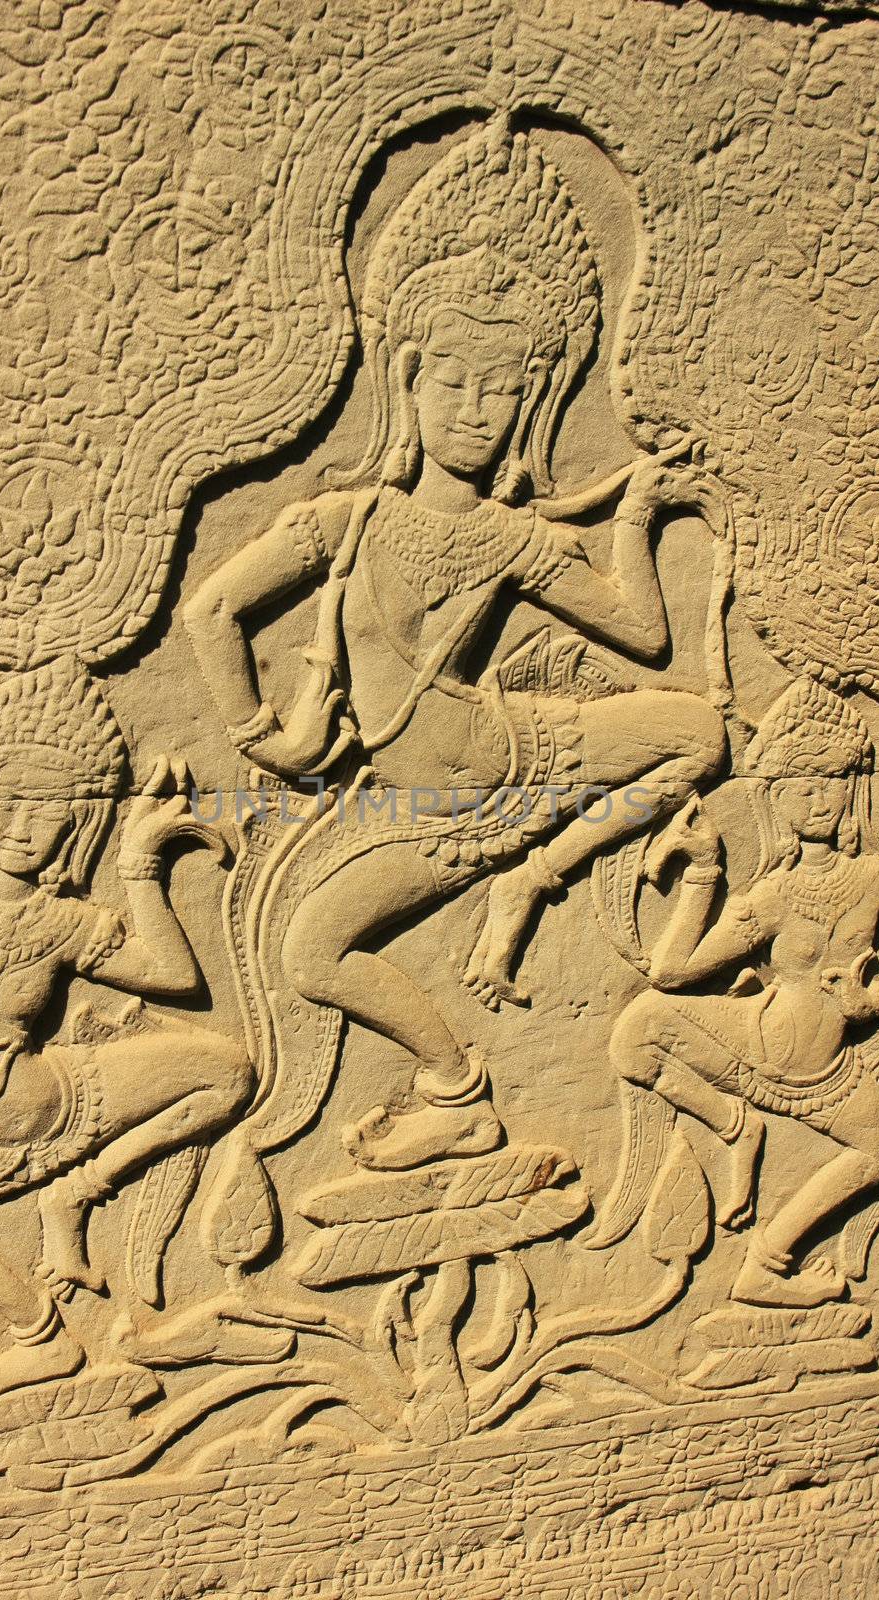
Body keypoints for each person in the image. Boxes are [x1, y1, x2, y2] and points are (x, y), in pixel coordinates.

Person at [186, 116, 724, 1173]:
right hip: (424, 819)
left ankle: (537, 881)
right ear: (411, 380)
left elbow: (644, 633)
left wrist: (635, 513)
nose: (477, 409)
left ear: (531, 398)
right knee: (308, 953)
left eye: (503, 386)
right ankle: (455, 1090)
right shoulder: (346, 522)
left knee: (698, 732)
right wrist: (258, 734)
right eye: (457, 382)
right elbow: (213, 613)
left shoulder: (514, 535)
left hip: (515, 766)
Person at [0, 659, 251, 1397]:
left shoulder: (62, 922)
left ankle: (79, 1190)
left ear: (76, 821)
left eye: (49, 806)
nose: (23, 827)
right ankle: (39, 1335)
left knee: (226, 1069)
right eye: (6, 801)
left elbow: (173, 978)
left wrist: (141, 860)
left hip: (67, 1099)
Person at [608, 679, 879, 1307]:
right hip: (758, 1045)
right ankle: (735, 1124)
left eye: (834, 780)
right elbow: (673, 971)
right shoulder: (773, 898)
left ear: (854, 787)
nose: (820, 799)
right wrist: (704, 869)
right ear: (777, 800)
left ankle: (764, 1267)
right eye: (802, 786)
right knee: (635, 1033)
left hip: (830, 1069)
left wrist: (878, 1000)